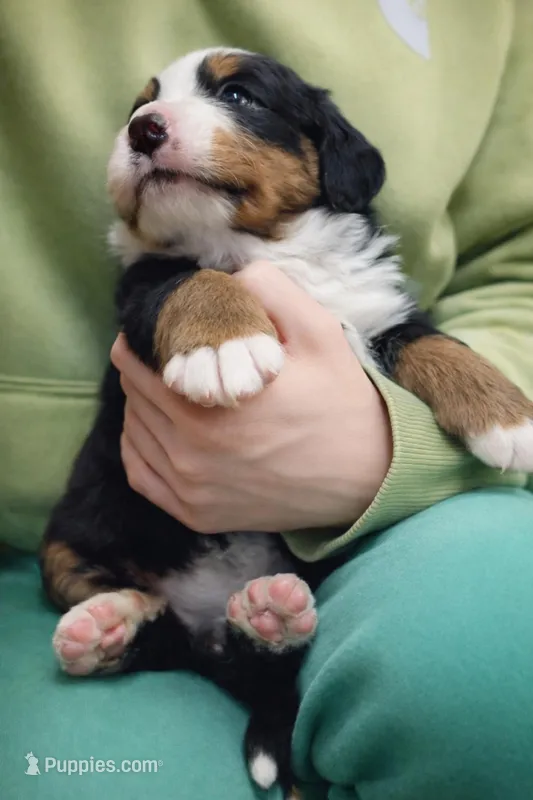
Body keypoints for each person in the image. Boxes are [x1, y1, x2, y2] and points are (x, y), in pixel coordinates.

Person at [2, 1, 533, 798]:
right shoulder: (163, 282)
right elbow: (161, 312)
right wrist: (210, 309)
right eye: (141, 108)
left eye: (236, 95)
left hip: (349, 553)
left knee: (483, 677)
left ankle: (265, 684)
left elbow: (417, 329)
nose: (151, 120)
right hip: (132, 553)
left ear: (327, 160)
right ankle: (158, 639)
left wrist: (435, 427)